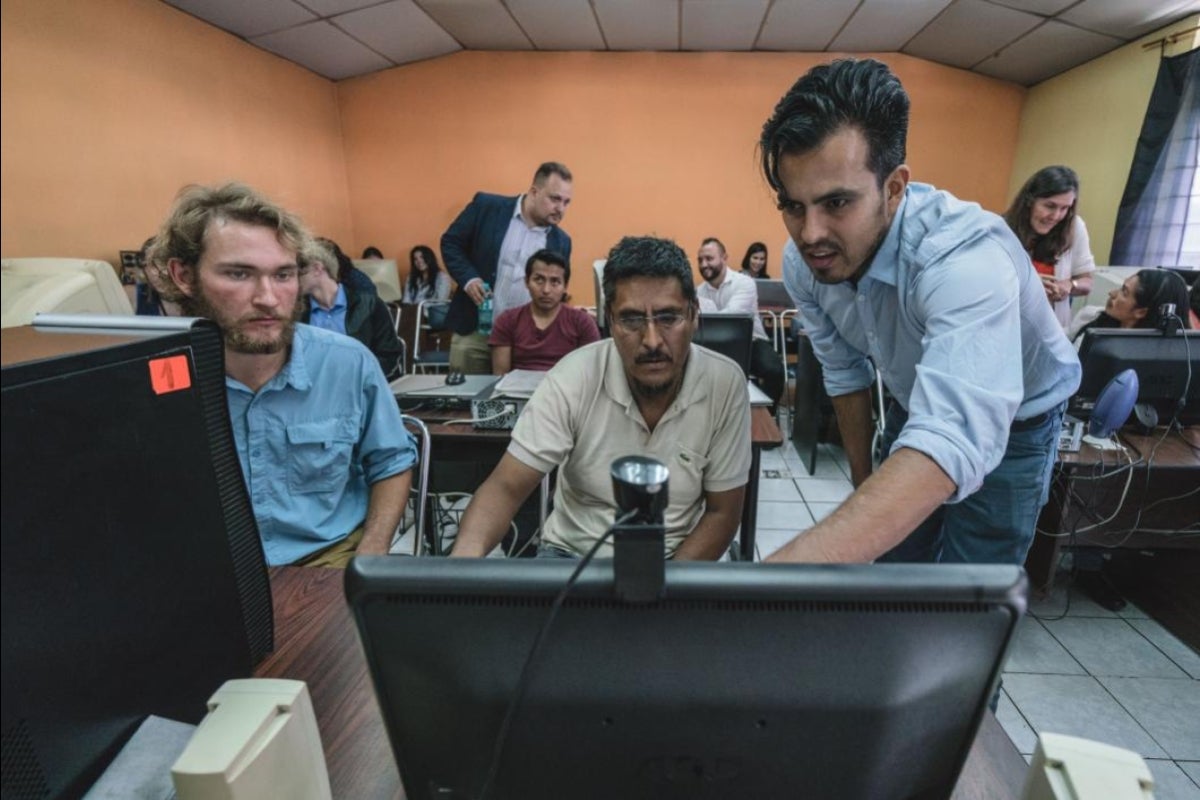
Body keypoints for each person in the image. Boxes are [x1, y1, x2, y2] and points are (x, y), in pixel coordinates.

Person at [759, 58, 1080, 566]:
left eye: (836, 203)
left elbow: (951, 433)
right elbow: (844, 372)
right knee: (893, 563)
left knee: (969, 582)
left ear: (894, 187)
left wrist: (769, 589)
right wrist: (865, 485)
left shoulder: (963, 255)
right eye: (793, 206)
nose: (811, 234)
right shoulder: (803, 263)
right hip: (914, 400)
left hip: (1021, 419)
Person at [156, 182, 416, 567]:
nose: (267, 298)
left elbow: (391, 461)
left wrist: (371, 559)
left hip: (327, 560)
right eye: (239, 274)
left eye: (283, 275)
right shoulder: (155, 380)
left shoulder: (346, 364)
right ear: (184, 275)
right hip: (206, 569)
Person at [451, 235, 751, 560]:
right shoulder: (573, 376)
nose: (651, 340)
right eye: (631, 319)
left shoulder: (724, 383)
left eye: (668, 318)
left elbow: (723, 515)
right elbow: (504, 489)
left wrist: (660, 593)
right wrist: (461, 569)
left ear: (694, 315)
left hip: (675, 562)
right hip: (571, 557)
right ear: (609, 319)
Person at [441, 162, 574, 374]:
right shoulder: (487, 207)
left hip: (524, 342)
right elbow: (450, 243)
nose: (561, 209)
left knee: (515, 403)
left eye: (567, 202)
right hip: (474, 330)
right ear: (534, 191)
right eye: (555, 199)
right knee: (467, 402)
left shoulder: (562, 242)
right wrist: (469, 279)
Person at [695, 237, 786, 407]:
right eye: (700, 260)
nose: (704, 264)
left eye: (709, 258)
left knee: (774, 370)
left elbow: (730, 320)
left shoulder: (744, 283)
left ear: (724, 258)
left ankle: (764, 417)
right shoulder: (699, 291)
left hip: (751, 342)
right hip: (714, 346)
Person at [1004, 166, 1095, 329]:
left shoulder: (1075, 227)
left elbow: (1087, 282)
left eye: (1065, 208)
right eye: (1050, 206)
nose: (1056, 216)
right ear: (1029, 200)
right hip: (1007, 325)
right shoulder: (1001, 229)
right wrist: (1028, 284)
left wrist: (1069, 285)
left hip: (1050, 329)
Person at [299, 239, 405, 378]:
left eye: (298, 272)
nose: (291, 279)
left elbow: (388, 354)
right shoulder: (296, 312)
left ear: (317, 269)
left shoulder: (369, 304)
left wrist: (357, 380)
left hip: (363, 388)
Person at [490, 249, 600, 374]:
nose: (546, 290)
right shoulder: (507, 321)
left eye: (555, 282)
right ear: (526, 282)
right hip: (516, 391)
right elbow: (499, 377)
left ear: (565, 287)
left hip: (566, 391)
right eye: (539, 280)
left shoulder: (582, 322)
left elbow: (591, 375)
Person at [1068, 269, 1193, 341]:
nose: (1112, 293)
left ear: (1141, 312)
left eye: (1124, 292)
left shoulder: (1177, 356)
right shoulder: (1090, 316)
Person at [135, 235, 182, 316]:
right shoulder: (136, 295)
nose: (155, 273)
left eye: (163, 263)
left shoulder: (201, 296)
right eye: (148, 265)